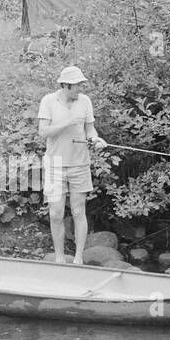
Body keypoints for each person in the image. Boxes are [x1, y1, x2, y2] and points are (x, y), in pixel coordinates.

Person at [37, 65, 106, 264]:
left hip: (79, 164)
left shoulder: (85, 101)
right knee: (56, 213)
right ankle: (59, 258)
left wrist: (96, 139)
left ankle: (78, 259)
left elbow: (90, 130)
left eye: (81, 85)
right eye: (77, 85)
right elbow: (43, 132)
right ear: (65, 85)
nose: (80, 89)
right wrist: (67, 122)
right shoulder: (48, 101)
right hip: (54, 165)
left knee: (78, 211)